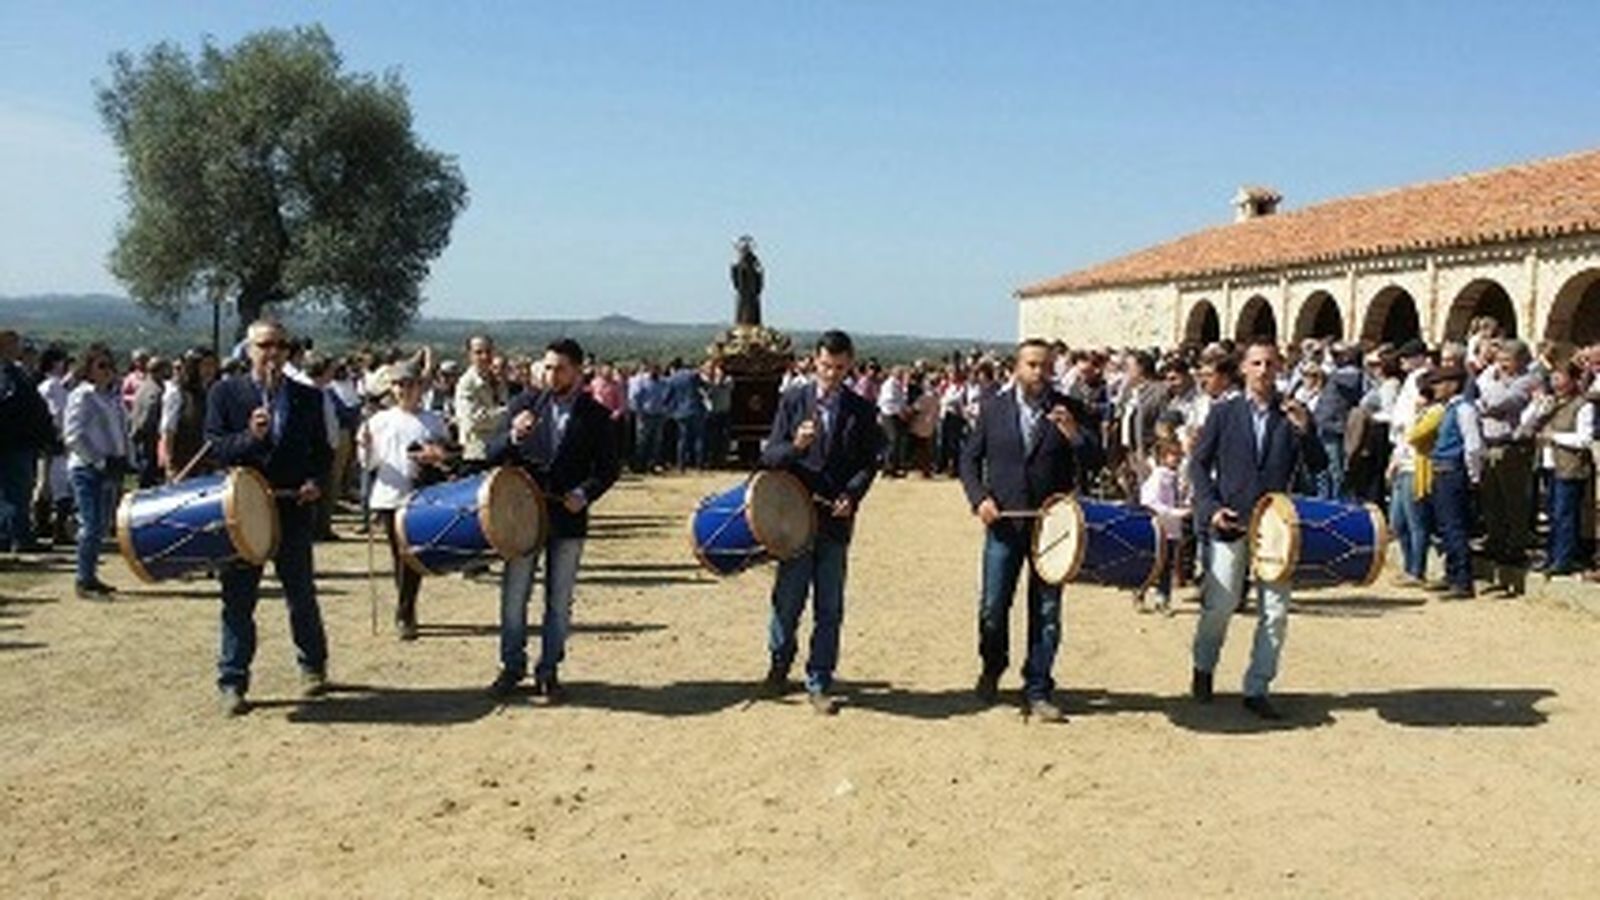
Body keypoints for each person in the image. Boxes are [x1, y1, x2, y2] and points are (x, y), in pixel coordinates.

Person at [960, 338, 1102, 722]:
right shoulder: (992, 410)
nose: (1039, 373)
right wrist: (979, 499)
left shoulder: (1069, 409)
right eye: (1032, 365)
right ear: (1016, 368)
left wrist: (1075, 435)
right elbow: (969, 460)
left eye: (1045, 366)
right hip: (1004, 525)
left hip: (1052, 530)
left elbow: (1097, 457)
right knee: (993, 607)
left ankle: (1038, 686)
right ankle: (992, 667)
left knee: (1047, 610)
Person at [1188, 339, 1326, 720]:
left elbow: (1317, 465)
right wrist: (1210, 507)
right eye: (1256, 363)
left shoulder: (1291, 414)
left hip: (1276, 526)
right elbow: (1198, 465)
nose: (1264, 370)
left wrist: (1305, 429)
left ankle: (1257, 686)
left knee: (1276, 611)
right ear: (1244, 369)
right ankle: (1203, 666)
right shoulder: (1223, 413)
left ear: (1280, 367)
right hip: (1230, 521)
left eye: (1270, 363)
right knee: (1221, 603)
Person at [205, 320, 332, 716]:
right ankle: (233, 680)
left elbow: (322, 453)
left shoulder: (308, 397)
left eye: (280, 345)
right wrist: (251, 437)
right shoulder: (226, 393)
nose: (273, 352)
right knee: (238, 600)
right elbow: (216, 447)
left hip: (292, 508)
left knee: (301, 595)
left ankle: (312, 665)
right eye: (265, 345)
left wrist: (314, 481)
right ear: (249, 350)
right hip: (243, 510)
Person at [485, 338, 620, 702]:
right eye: (547, 367)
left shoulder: (595, 415)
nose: (551, 374)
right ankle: (511, 666)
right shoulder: (525, 404)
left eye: (559, 368)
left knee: (559, 601)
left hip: (568, 518)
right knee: (514, 596)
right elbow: (491, 452)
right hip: (521, 516)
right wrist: (514, 434)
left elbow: (608, 469)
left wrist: (585, 494)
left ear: (577, 371)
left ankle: (549, 670)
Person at [758, 329, 884, 715]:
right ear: (815, 362)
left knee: (829, 606)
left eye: (841, 368)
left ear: (850, 365)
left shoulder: (862, 410)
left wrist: (853, 494)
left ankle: (819, 679)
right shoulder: (793, 401)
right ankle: (779, 664)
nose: (832, 375)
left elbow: (869, 462)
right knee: (788, 599)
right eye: (827, 366)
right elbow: (769, 457)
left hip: (835, 521)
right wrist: (795, 446)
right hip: (794, 517)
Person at [360, 362, 451, 640]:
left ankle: (406, 609)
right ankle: (405, 610)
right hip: (390, 496)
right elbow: (369, 463)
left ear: (420, 387)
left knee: (414, 556)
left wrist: (436, 456)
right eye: (399, 385)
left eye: (410, 384)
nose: (404, 390)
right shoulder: (379, 421)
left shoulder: (433, 421)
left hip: (421, 497)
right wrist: (364, 446)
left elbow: (447, 457)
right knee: (399, 555)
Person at [1474, 339, 1541, 593]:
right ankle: (1495, 540)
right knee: (1491, 497)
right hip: (1490, 442)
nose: (1501, 365)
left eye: (1507, 360)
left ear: (1521, 360)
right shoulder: (1494, 377)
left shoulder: (1528, 381)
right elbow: (1481, 399)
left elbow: (1502, 402)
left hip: (1512, 446)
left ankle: (1516, 544)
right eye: (1499, 360)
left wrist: (1488, 394)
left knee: (1513, 498)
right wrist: (1488, 393)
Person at [62, 344, 127, 599]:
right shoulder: (83, 396)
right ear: (87, 368)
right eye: (101, 365)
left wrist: (124, 457)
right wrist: (98, 461)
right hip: (88, 469)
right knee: (90, 525)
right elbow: (73, 436)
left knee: (100, 526)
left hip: (110, 467)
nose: (108, 371)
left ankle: (90, 575)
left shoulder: (111, 397)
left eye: (110, 365)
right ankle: (83, 579)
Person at [1418, 366, 1483, 599]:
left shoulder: (1464, 409)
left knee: (1454, 526)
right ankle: (1452, 573)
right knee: (1446, 526)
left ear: (1453, 385)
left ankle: (1462, 580)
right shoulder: (1450, 409)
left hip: (1452, 471)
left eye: (1439, 383)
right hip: (1443, 470)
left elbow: (1473, 445)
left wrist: (1474, 476)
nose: (1434, 388)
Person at [1529, 359, 1595, 576]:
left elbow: (1584, 439)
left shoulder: (1583, 405)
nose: (1555, 382)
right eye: (1553, 377)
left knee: (1564, 513)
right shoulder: (1552, 403)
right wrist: (1538, 407)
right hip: (1549, 464)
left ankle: (1563, 558)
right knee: (1553, 513)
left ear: (1573, 380)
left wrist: (1555, 437)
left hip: (1569, 465)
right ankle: (1551, 555)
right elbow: (1529, 423)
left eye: (1560, 377)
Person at [0, 329, 55, 552]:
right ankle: (16, 537)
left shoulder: (16, 372)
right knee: (16, 491)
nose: (19, 348)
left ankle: (12, 535)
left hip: (22, 441)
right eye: (14, 344)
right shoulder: (5, 375)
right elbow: (9, 405)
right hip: (13, 442)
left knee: (16, 490)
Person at [1140, 438, 1190, 616]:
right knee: (1155, 564)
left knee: (1167, 565)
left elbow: (1179, 498)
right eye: (1172, 455)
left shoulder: (1177, 477)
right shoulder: (1159, 476)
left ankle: (1163, 599)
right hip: (1160, 527)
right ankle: (1141, 592)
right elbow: (1149, 501)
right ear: (1163, 457)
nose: (1176, 459)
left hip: (1173, 529)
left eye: (1179, 455)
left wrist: (1186, 505)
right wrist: (1174, 512)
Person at [454, 335, 507, 470]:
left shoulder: (498, 382)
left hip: (499, 451)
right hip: (477, 456)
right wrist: (507, 412)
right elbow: (473, 421)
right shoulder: (466, 384)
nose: (484, 356)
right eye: (478, 352)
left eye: (488, 351)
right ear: (469, 355)